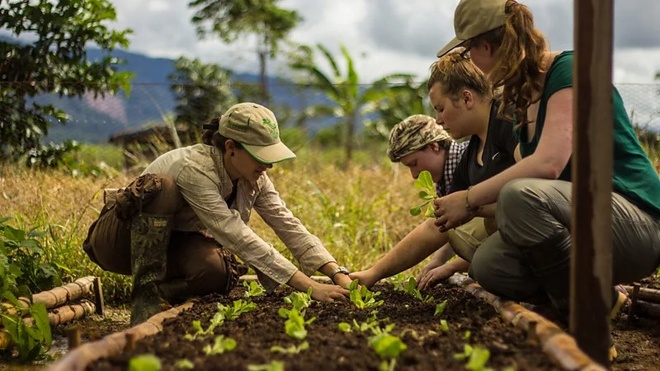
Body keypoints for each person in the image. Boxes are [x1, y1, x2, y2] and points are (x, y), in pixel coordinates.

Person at [434, 0, 660, 351]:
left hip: (636, 224)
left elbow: (548, 164)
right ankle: (595, 301)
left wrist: (468, 198)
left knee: (518, 194)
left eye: (468, 52)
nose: (471, 63)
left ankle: (585, 325)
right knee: (490, 265)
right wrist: (469, 211)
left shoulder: (568, 71)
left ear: (486, 47)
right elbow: (528, 197)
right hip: (587, 228)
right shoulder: (521, 101)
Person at [83, 102, 351, 326]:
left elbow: (288, 224)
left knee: (216, 270)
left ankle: (162, 294)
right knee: (163, 187)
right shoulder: (194, 169)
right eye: (261, 156)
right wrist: (309, 286)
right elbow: (235, 234)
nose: (268, 164)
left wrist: (336, 272)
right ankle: (145, 298)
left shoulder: (254, 177)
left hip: (172, 244)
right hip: (118, 242)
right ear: (232, 147)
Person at [350, 50, 518, 290]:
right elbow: (437, 225)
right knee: (483, 262)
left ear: (467, 98)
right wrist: (373, 273)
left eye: (440, 109)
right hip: (518, 235)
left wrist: (471, 203)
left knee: (485, 263)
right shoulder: (471, 154)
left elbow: (534, 190)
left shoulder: (507, 120)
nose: (438, 120)